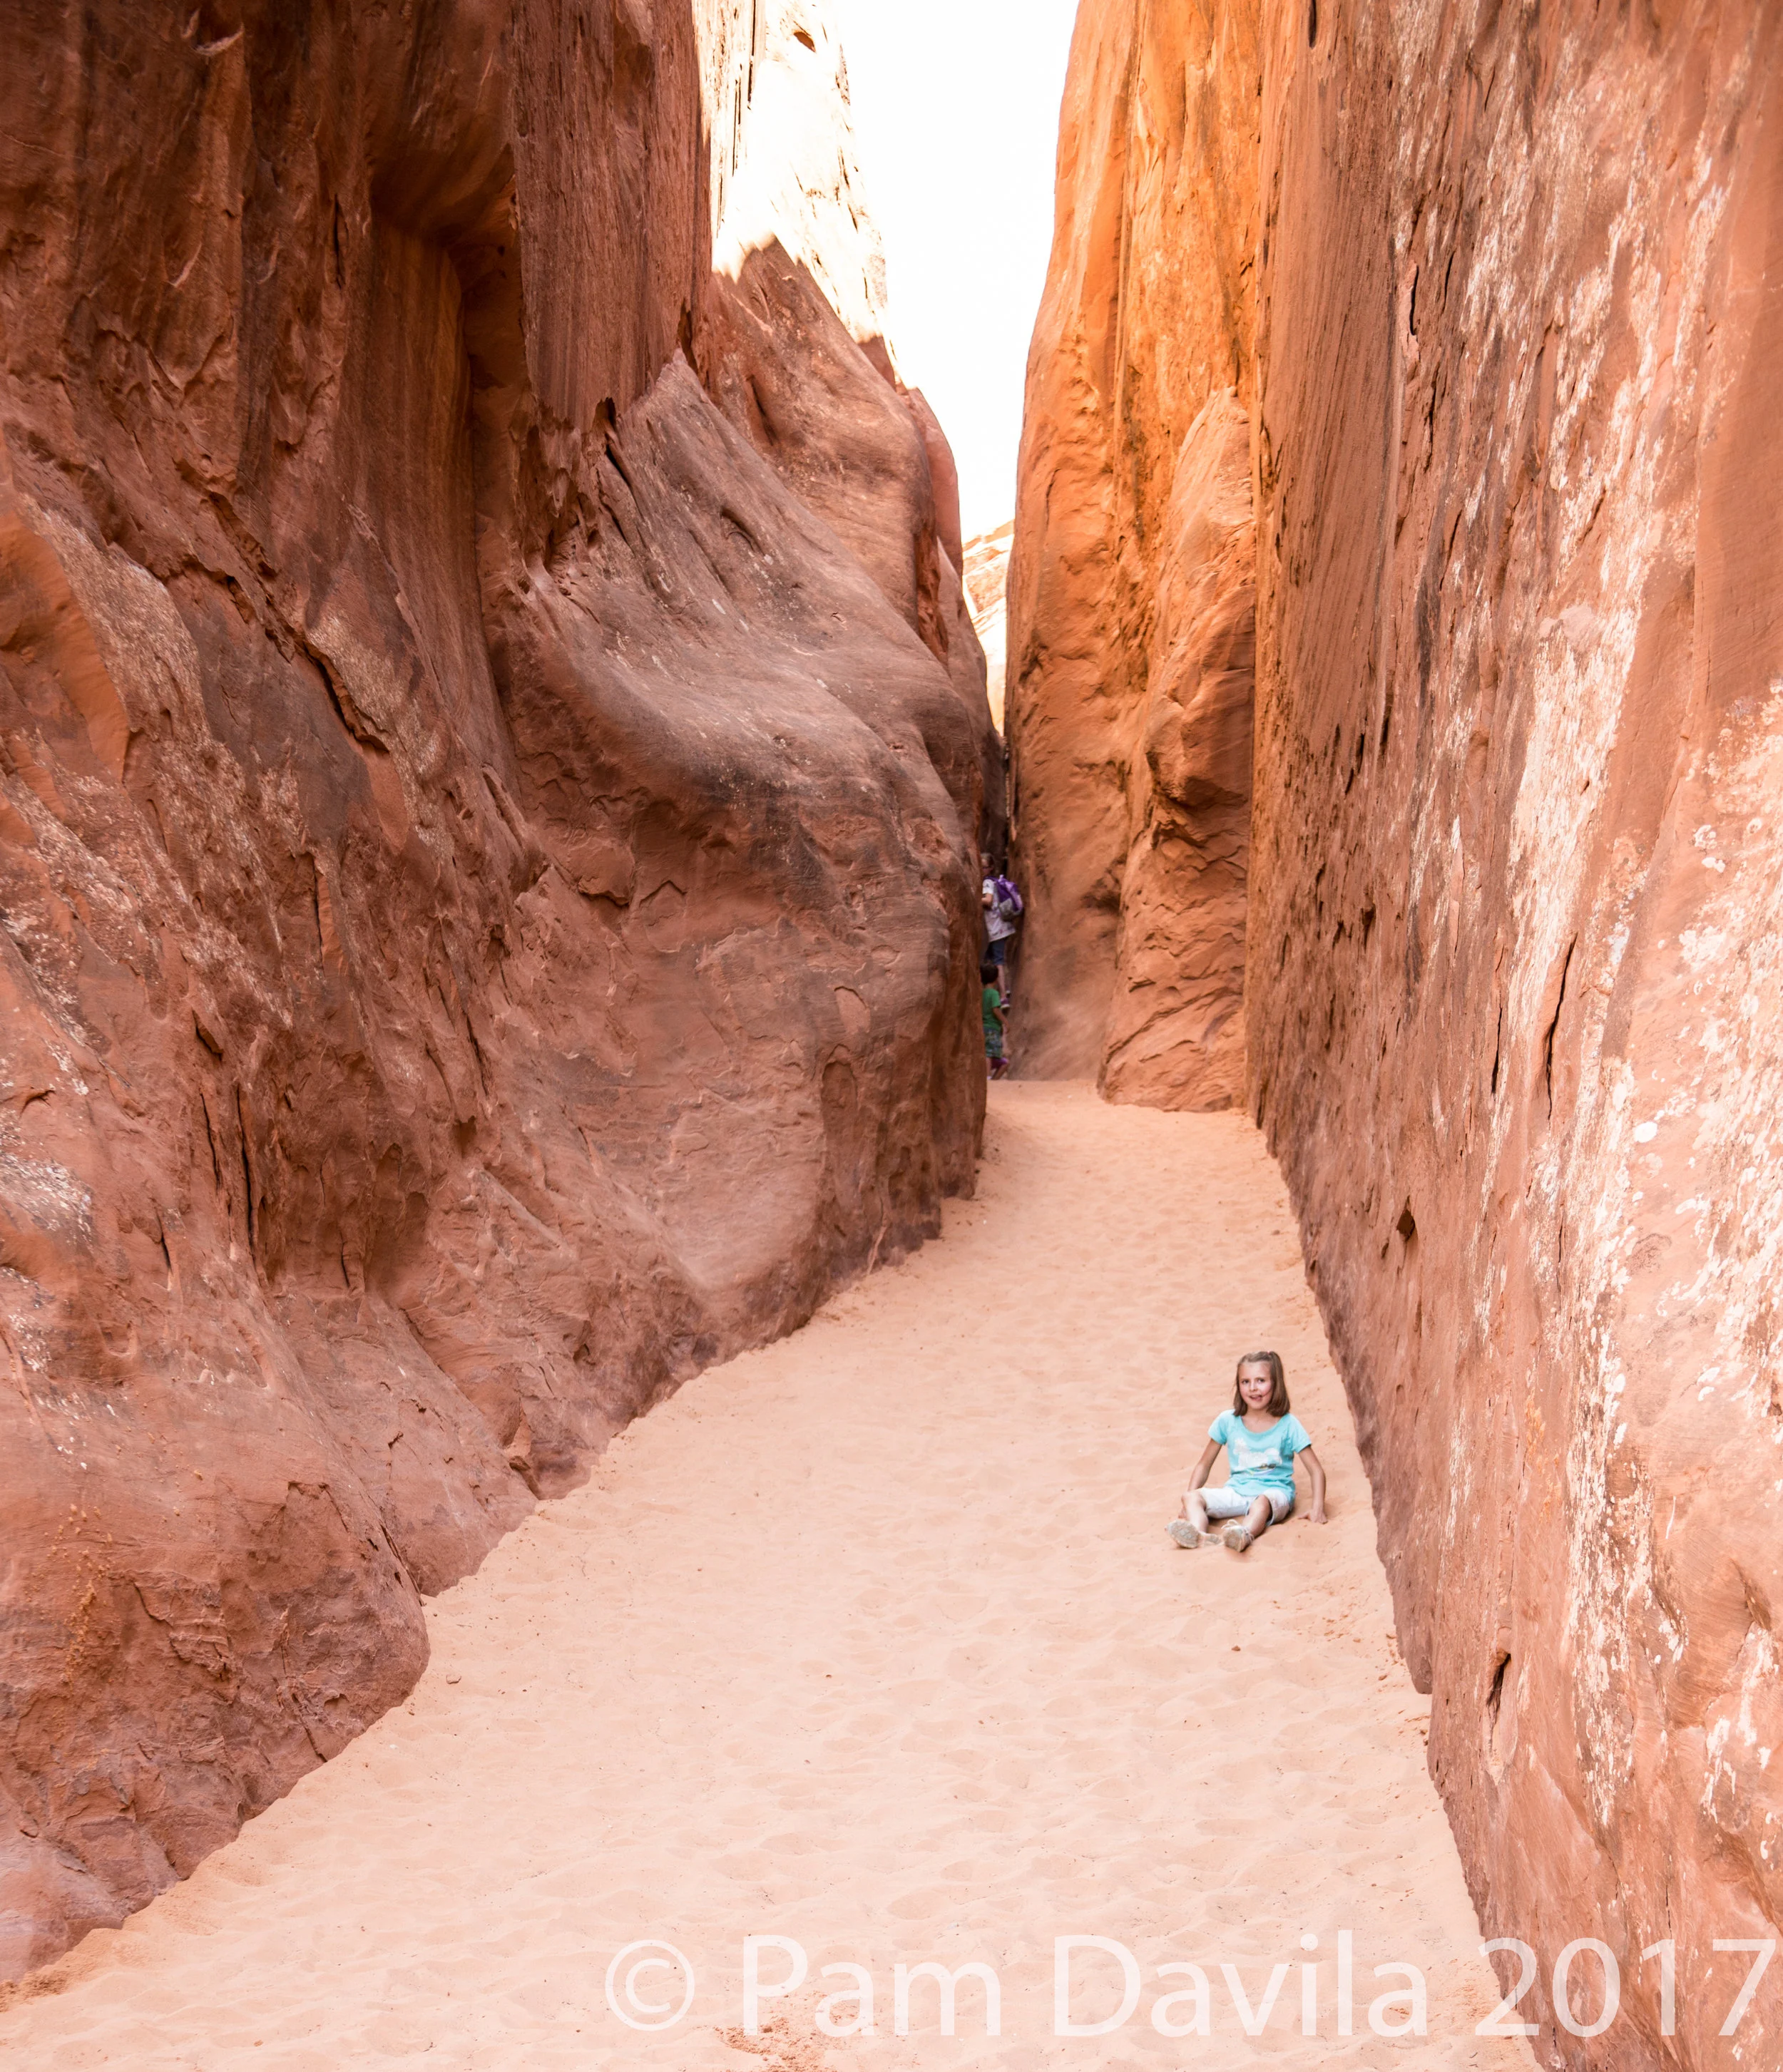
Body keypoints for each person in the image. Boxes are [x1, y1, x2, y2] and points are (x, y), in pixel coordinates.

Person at [1168, 1350, 1328, 1552]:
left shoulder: (1288, 1425)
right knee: (1191, 1497)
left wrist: (1318, 1509)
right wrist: (1188, 1504)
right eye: (1245, 1382)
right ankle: (1198, 1534)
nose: (1253, 1388)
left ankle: (1243, 1534)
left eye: (1261, 1381)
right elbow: (1203, 1465)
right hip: (1236, 1490)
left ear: (1276, 1384)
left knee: (1261, 1504)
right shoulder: (1228, 1421)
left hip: (1274, 1493)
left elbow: (1316, 1471)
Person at [981, 862, 1022, 1006]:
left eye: (984, 866)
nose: (982, 869)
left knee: (997, 961)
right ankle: (1007, 989)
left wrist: (974, 898)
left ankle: (1003, 997)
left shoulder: (986, 882)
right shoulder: (993, 881)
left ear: (990, 868)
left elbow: (988, 900)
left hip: (996, 928)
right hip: (1002, 927)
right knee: (999, 959)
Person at [981, 962, 1010, 1079]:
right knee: (989, 1052)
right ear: (996, 978)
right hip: (992, 1027)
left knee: (990, 1053)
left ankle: (991, 1081)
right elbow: (996, 1010)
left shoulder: (982, 994)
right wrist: (1006, 1022)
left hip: (984, 1026)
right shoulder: (993, 994)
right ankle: (988, 1078)